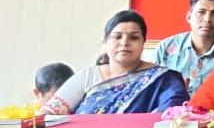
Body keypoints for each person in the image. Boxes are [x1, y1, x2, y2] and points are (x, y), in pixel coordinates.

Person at [41, 10, 189, 114]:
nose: (124, 43)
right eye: (117, 37)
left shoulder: (165, 80)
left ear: (143, 42)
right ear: (106, 42)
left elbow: (171, 118)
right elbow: (49, 114)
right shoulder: (88, 76)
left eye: (134, 37)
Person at [154, 0, 214, 95]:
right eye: (201, 12)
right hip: (174, 105)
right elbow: (155, 90)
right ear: (189, 17)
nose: (207, 19)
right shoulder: (166, 47)